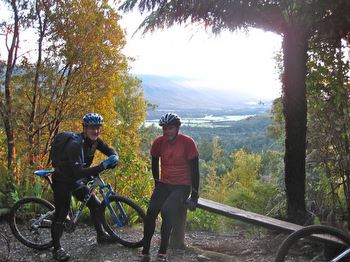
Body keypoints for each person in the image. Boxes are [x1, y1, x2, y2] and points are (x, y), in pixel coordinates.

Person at [51, 113, 119, 261]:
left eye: (98, 127)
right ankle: (56, 249)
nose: (96, 131)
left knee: (95, 204)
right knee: (61, 214)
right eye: (92, 128)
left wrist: (114, 157)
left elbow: (109, 150)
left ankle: (101, 235)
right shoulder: (74, 145)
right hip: (62, 181)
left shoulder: (95, 141)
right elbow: (78, 172)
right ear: (85, 128)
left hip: (76, 180)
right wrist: (102, 166)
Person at [139, 113, 200, 262]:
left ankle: (162, 252)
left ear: (177, 128)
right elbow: (154, 163)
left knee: (167, 211)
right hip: (164, 184)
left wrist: (194, 195)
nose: (167, 131)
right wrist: (156, 182)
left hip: (182, 185)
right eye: (165, 128)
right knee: (151, 211)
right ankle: (145, 251)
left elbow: (195, 170)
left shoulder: (187, 143)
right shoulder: (159, 142)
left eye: (170, 128)